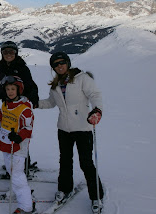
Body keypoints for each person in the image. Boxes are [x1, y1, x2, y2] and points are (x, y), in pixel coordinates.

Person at [37, 52, 104, 213]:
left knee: (86, 163)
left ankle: (96, 196)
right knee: (65, 161)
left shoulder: (82, 78)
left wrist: (97, 110)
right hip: (64, 128)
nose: (59, 66)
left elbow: (95, 94)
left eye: (62, 63)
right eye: (56, 64)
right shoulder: (55, 85)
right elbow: (51, 103)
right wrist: (34, 103)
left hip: (83, 127)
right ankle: (65, 188)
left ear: (68, 63)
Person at [0, 76, 35, 214]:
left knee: (17, 175)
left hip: (18, 147)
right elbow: (1, 121)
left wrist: (18, 136)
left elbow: (28, 128)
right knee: (11, 172)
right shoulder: (5, 105)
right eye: (8, 89)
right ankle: (19, 194)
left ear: (19, 90)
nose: (10, 92)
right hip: (6, 144)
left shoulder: (25, 109)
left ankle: (27, 206)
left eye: (13, 89)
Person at [0, 40, 39, 176]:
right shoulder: (2, 68)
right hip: (8, 105)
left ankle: (21, 167)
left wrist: (32, 100)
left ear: (16, 53)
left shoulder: (22, 68)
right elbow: (1, 88)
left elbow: (31, 85)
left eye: (11, 52)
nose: (8, 54)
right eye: (5, 52)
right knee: (8, 131)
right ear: (2, 54)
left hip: (19, 105)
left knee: (20, 134)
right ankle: (12, 164)